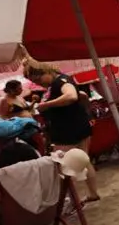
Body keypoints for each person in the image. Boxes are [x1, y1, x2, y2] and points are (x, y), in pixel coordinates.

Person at [23, 59, 101, 203]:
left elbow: (71, 96)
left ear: (46, 71)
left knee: (61, 166)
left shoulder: (60, 81)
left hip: (67, 130)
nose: (39, 83)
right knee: (84, 161)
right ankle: (91, 194)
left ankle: (69, 200)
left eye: (38, 79)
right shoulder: (61, 81)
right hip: (78, 125)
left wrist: (46, 105)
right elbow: (80, 96)